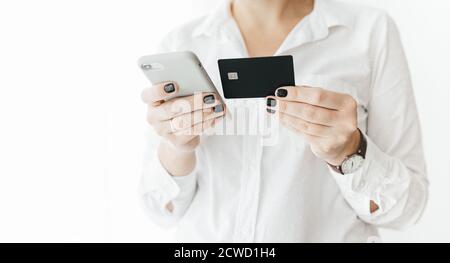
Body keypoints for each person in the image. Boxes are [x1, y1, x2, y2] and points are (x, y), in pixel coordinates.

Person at [140, 0, 428, 242]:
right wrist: (177, 146)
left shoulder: (369, 33)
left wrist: (349, 152)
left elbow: (408, 208)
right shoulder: (182, 43)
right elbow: (161, 211)